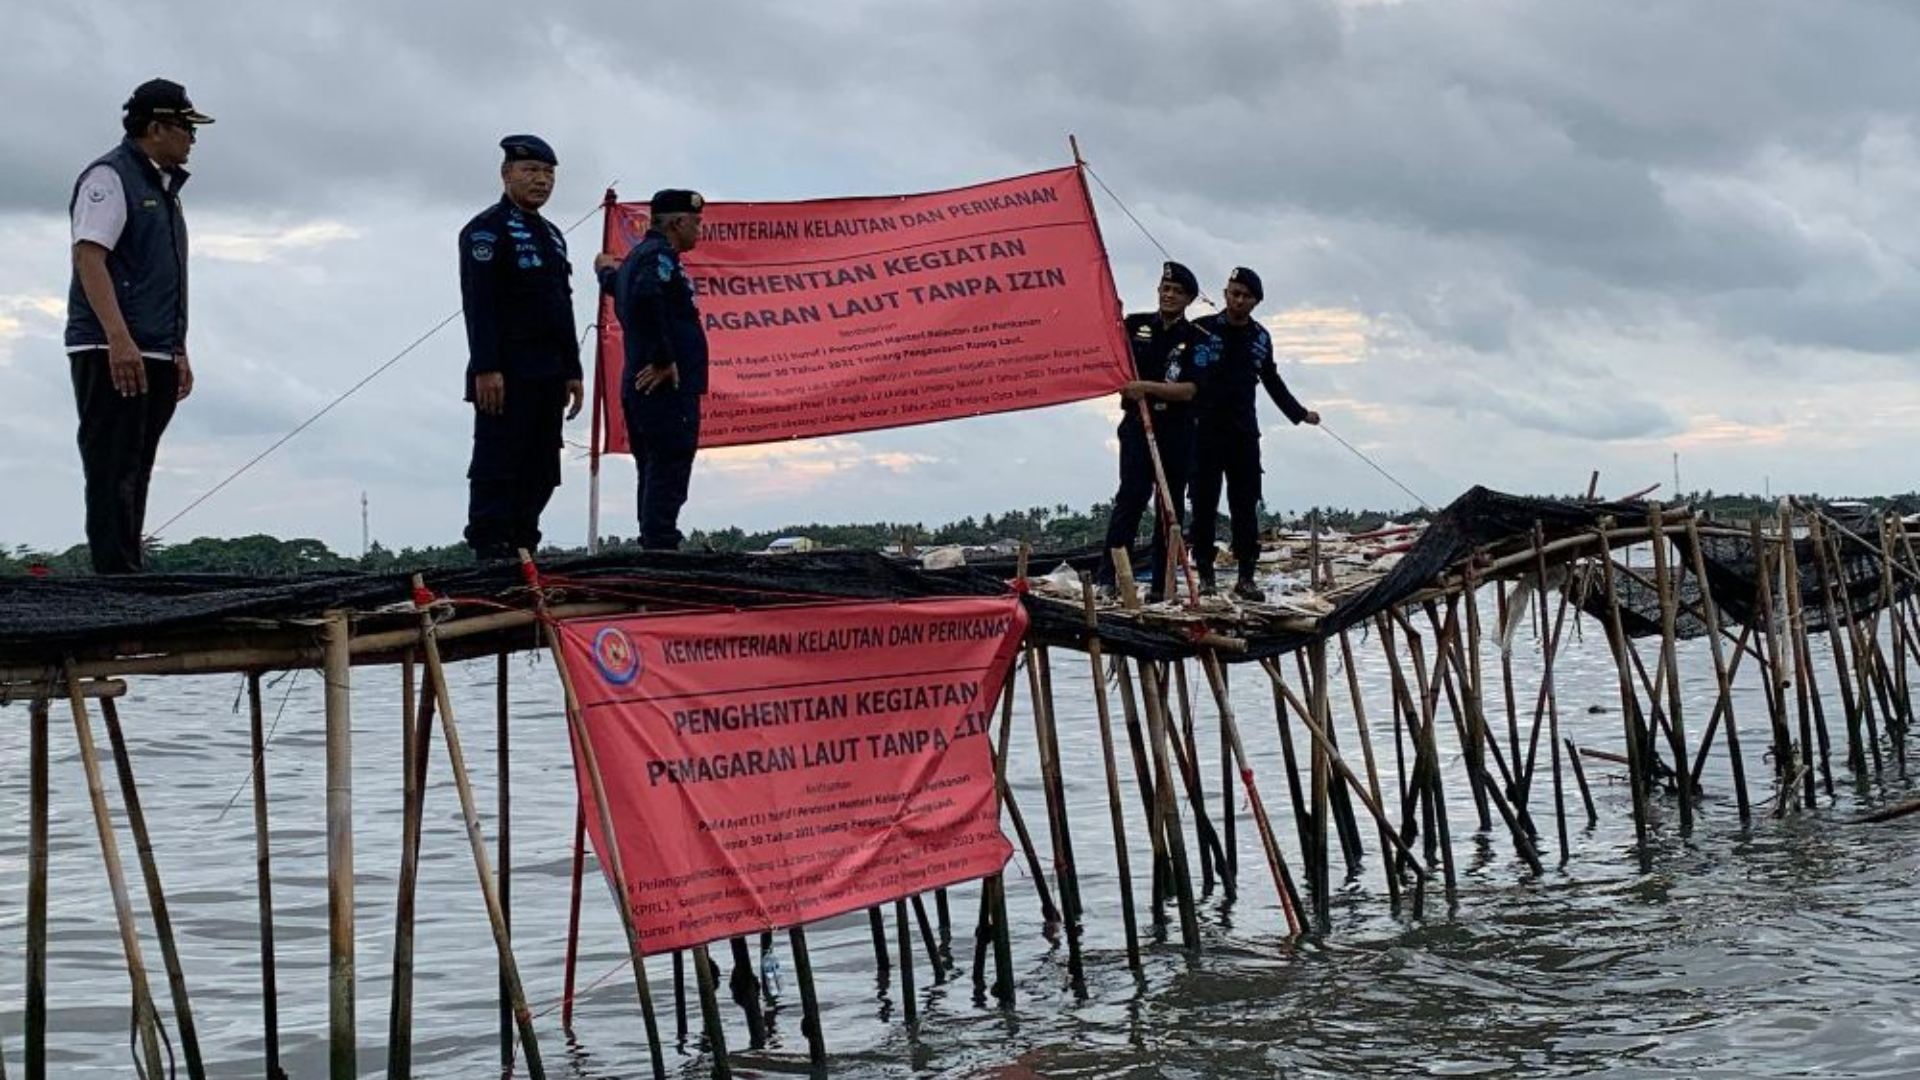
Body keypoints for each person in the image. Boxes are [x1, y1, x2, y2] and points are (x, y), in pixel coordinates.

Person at [66, 79, 212, 574]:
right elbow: (90, 256)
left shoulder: (165, 189)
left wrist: (178, 348)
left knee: (138, 463)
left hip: (155, 348)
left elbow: (161, 276)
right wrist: (118, 337)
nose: (192, 138)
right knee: (112, 464)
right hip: (112, 347)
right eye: (185, 127)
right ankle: (114, 576)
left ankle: (129, 569)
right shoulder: (110, 178)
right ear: (156, 128)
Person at [458, 134, 584, 560]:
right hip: (505, 373)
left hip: (549, 372)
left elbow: (561, 306)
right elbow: (480, 306)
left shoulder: (552, 235)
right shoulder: (485, 231)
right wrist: (485, 367)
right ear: (507, 174)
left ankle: (524, 543)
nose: (542, 181)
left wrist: (574, 369)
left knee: (543, 467)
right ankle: (490, 549)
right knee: (498, 464)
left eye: (549, 173)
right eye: (531, 171)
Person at [1189, 267, 1320, 601]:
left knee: (1245, 504)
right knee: (1203, 503)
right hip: (1203, 431)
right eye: (1234, 293)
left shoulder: (1261, 337)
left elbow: (1272, 380)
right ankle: (1205, 574)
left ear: (1256, 302)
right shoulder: (1201, 329)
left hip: (1243, 433)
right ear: (1225, 293)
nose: (1239, 300)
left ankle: (1246, 576)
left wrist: (1299, 413)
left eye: (1246, 296)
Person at [1095, 261, 1217, 602]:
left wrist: (1144, 388)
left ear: (1189, 299)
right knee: (1131, 498)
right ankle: (1109, 579)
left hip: (1176, 429)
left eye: (1177, 292)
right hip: (1137, 426)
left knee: (1169, 504)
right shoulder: (1135, 327)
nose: (1170, 296)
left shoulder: (1197, 340)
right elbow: (1112, 358)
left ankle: (1162, 584)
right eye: (1165, 289)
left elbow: (1190, 389)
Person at [595, 189, 707, 550]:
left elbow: (620, 286)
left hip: (644, 385)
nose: (699, 231)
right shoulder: (658, 257)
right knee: (668, 464)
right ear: (677, 223)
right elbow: (644, 296)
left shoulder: (637, 259)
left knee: (656, 466)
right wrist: (663, 358)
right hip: (662, 385)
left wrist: (603, 271)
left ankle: (656, 539)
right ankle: (661, 544)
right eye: (695, 223)